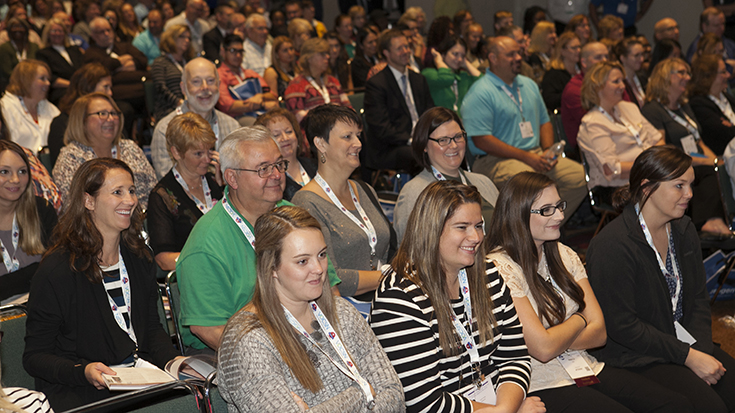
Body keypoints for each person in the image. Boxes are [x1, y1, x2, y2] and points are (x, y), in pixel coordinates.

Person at [486, 171, 689, 412]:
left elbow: (600, 333)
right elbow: (542, 349)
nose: (560, 215)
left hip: (585, 367)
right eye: (547, 210)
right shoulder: (499, 267)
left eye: (559, 206)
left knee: (675, 405)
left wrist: (555, 337)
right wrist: (580, 319)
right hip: (539, 383)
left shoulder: (563, 254)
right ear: (517, 214)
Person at [371, 180, 544, 413]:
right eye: (462, 227)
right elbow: (425, 403)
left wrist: (505, 407)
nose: (476, 237)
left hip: (497, 403)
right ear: (431, 230)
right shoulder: (399, 298)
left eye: (479, 226)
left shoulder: (487, 273)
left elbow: (514, 357)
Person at [23, 158, 180, 411]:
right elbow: (35, 358)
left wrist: (175, 362)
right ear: (88, 201)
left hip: (139, 377)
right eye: (117, 192)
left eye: (131, 191)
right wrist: (83, 371)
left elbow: (151, 329)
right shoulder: (58, 270)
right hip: (80, 389)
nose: (129, 200)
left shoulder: (139, 257)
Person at [587, 145, 735, 413]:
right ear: (647, 188)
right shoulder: (612, 246)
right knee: (709, 407)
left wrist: (700, 352)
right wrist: (688, 357)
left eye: (690, 184)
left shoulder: (684, 229)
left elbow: (699, 301)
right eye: (679, 186)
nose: (689, 194)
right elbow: (622, 325)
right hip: (636, 355)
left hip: (681, 342)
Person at [217, 205, 404, 412]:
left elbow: (394, 394)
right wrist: (361, 393)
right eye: (302, 261)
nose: (318, 269)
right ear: (271, 268)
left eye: (322, 255)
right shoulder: (247, 339)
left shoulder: (342, 312)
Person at [176, 126, 341, 353]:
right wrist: (279, 357)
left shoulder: (294, 218)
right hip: (244, 353)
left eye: (279, 165)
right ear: (232, 177)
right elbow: (209, 329)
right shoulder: (207, 244)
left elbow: (330, 291)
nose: (276, 175)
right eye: (263, 169)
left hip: (308, 337)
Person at [461, 36, 587, 225]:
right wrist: (528, 158)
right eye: (511, 54)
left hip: (535, 154)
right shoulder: (480, 92)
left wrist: (547, 152)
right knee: (531, 183)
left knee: (579, 178)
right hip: (494, 161)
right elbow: (481, 140)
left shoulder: (528, 84)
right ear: (493, 58)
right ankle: (524, 236)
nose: (518, 57)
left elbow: (544, 121)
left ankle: (543, 228)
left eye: (519, 53)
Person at [292, 105, 394, 303]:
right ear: (321, 144)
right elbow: (329, 277)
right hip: (348, 308)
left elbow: (389, 250)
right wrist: (390, 276)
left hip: (386, 298)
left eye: (358, 135)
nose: (358, 143)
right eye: (347, 137)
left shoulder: (365, 190)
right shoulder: (306, 203)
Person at [641, 57, 731, 235]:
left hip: (700, 161)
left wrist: (716, 161)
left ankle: (726, 218)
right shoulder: (653, 110)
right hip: (677, 166)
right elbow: (662, 150)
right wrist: (704, 162)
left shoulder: (684, 106)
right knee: (708, 173)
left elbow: (699, 141)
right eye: (681, 72)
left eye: (688, 73)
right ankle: (708, 222)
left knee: (723, 168)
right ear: (665, 77)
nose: (688, 77)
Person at [394, 107, 499, 242]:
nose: (454, 145)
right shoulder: (415, 192)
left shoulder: (484, 182)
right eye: (443, 140)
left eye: (458, 137)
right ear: (424, 145)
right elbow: (412, 251)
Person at [577, 61, 662, 203]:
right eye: (616, 81)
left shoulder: (629, 108)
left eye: (622, 80)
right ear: (598, 87)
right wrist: (652, 165)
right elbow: (612, 170)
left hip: (648, 177)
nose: (622, 86)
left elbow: (657, 139)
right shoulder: (592, 123)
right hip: (616, 189)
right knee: (669, 193)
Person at [147, 112, 223, 272]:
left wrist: (225, 186)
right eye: (198, 154)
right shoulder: (162, 196)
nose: (207, 159)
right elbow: (164, 259)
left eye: (210, 151)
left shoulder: (216, 182)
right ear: (176, 153)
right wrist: (207, 260)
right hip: (196, 275)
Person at [52, 93, 157, 208]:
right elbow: (71, 207)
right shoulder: (71, 157)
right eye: (102, 114)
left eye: (113, 113)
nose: (111, 119)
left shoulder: (131, 148)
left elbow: (153, 190)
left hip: (141, 220)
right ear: (82, 120)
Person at [150, 57, 240, 180]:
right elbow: (168, 185)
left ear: (219, 85)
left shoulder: (233, 127)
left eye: (210, 80)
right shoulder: (164, 130)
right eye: (196, 82)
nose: (205, 87)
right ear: (183, 88)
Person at [364, 29, 434, 172]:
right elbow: (382, 128)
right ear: (386, 53)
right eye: (399, 48)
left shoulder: (418, 79)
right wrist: (412, 140)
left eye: (407, 47)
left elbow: (430, 112)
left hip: (420, 139)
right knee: (422, 155)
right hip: (391, 147)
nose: (405, 51)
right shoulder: (377, 84)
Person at [0, 140, 57, 303]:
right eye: (4, 171)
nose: (16, 179)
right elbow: (45, 272)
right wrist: (33, 273)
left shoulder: (42, 210)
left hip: (44, 307)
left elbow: (57, 269)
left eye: (22, 171)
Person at [47, 63, 112, 168]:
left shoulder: (111, 120)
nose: (110, 93)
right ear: (88, 88)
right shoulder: (61, 124)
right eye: (105, 87)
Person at [283, 38, 351, 122]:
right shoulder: (296, 85)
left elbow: (348, 109)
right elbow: (297, 119)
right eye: (322, 54)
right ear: (309, 59)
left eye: (327, 53)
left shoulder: (333, 81)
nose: (328, 56)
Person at [0, 59, 59, 155]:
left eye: (48, 79)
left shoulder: (50, 108)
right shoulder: (5, 108)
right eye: (42, 78)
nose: (48, 83)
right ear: (26, 81)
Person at [216, 34, 277, 126]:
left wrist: (260, 96)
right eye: (233, 51)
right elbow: (228, 106)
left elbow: (272, 95)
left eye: (240, 51)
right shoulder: (219, 75)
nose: (238, 55)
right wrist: (261, 104)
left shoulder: (250, 73)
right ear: (223, 52)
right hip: (236, 118)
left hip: (260, 113)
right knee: (259, 125)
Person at [254, 108, 314, 201]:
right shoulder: (269, 180)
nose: (285, 138)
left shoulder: (316, 165)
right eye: (276, 135)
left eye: (288, 132)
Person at [560, 41, 610, 149]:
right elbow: (594, 124)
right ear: (584, 62)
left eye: (607, 56)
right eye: (598, 57)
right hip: (589, 145)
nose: (605, 61)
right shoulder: (574, 89)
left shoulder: (612, 83)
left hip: (613, 135)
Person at [688, 54, 735, 156]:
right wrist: (730, 128)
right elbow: (724, 133)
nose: (728, 75)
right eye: (723, 72)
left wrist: (731, 126)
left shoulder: (726, 97)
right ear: (708, 76)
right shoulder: (698, 104)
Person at [422, 35, 482, 112]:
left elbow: (482, 83)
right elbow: (446, 79)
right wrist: (439, 61)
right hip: (439, 122)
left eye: (462, 56)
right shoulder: (429, 73)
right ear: (443, 54)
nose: (459, 59)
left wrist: (466, 64)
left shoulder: (462, 76)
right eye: (455, 54)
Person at [151, 24, 195, 122]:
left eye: (189, 38)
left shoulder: (189, 63)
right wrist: (179, 102)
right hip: (168, 110)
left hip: (191, 107)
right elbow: (160, 88)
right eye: (182, 36)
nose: (187, 40)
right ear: (170, 38)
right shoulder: (160, 62)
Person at [36, 17, 83, 105]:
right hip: (60, 91)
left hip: (80, 87)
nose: (57, 33)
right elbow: (50, 77)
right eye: (54, 31)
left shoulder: (74, 50)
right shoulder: (43, 53)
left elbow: (84, 69)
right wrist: (72, 85)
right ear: (48, 34)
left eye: (60, 31)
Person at [541, 32, 580, 111]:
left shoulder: (582, 70)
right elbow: (549, 100)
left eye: (579, 47)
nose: (579, 50)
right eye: (574, 48)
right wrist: (573, 94)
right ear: (562, 51)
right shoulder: (553, 74)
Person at [0, 18, 39, 91]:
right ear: (9, 31)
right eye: (14, 27)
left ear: (26, 30)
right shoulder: (4, 48)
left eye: (21, 27)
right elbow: (6, 71)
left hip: (33, 84)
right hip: (11, 84)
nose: (17, 29)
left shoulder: (34, 47)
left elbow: (38, 67)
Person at [616, 37, 647, 108]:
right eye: (636, 55)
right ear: (623, 58)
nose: (641, 59)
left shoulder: (642, 77)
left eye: (642, 54)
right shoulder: (619, 83)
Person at [526, 21, 557, 85]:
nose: (554, 35)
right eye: (550, 32)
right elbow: (540, 79)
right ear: (541, 35)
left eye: (554, 32)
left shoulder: (554, 53)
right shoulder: (534, 57)